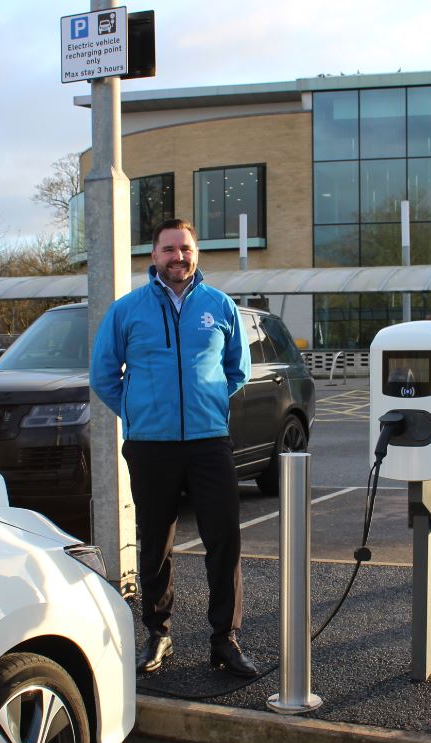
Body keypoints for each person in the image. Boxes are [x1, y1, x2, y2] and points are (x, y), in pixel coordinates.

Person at [90, 218, 258, 677]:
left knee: (224, 540)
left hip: (209, 443)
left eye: (185, 248)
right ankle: (158, 634)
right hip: (151, 445)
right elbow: (103, 375)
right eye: (168, 249)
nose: (177, 257)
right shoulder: (127, 311)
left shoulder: (219, 306)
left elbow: (236, 370)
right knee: (156, 544)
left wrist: (211, 403)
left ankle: (225, 639)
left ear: (196, 253)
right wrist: (140, 412)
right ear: (153, 257)